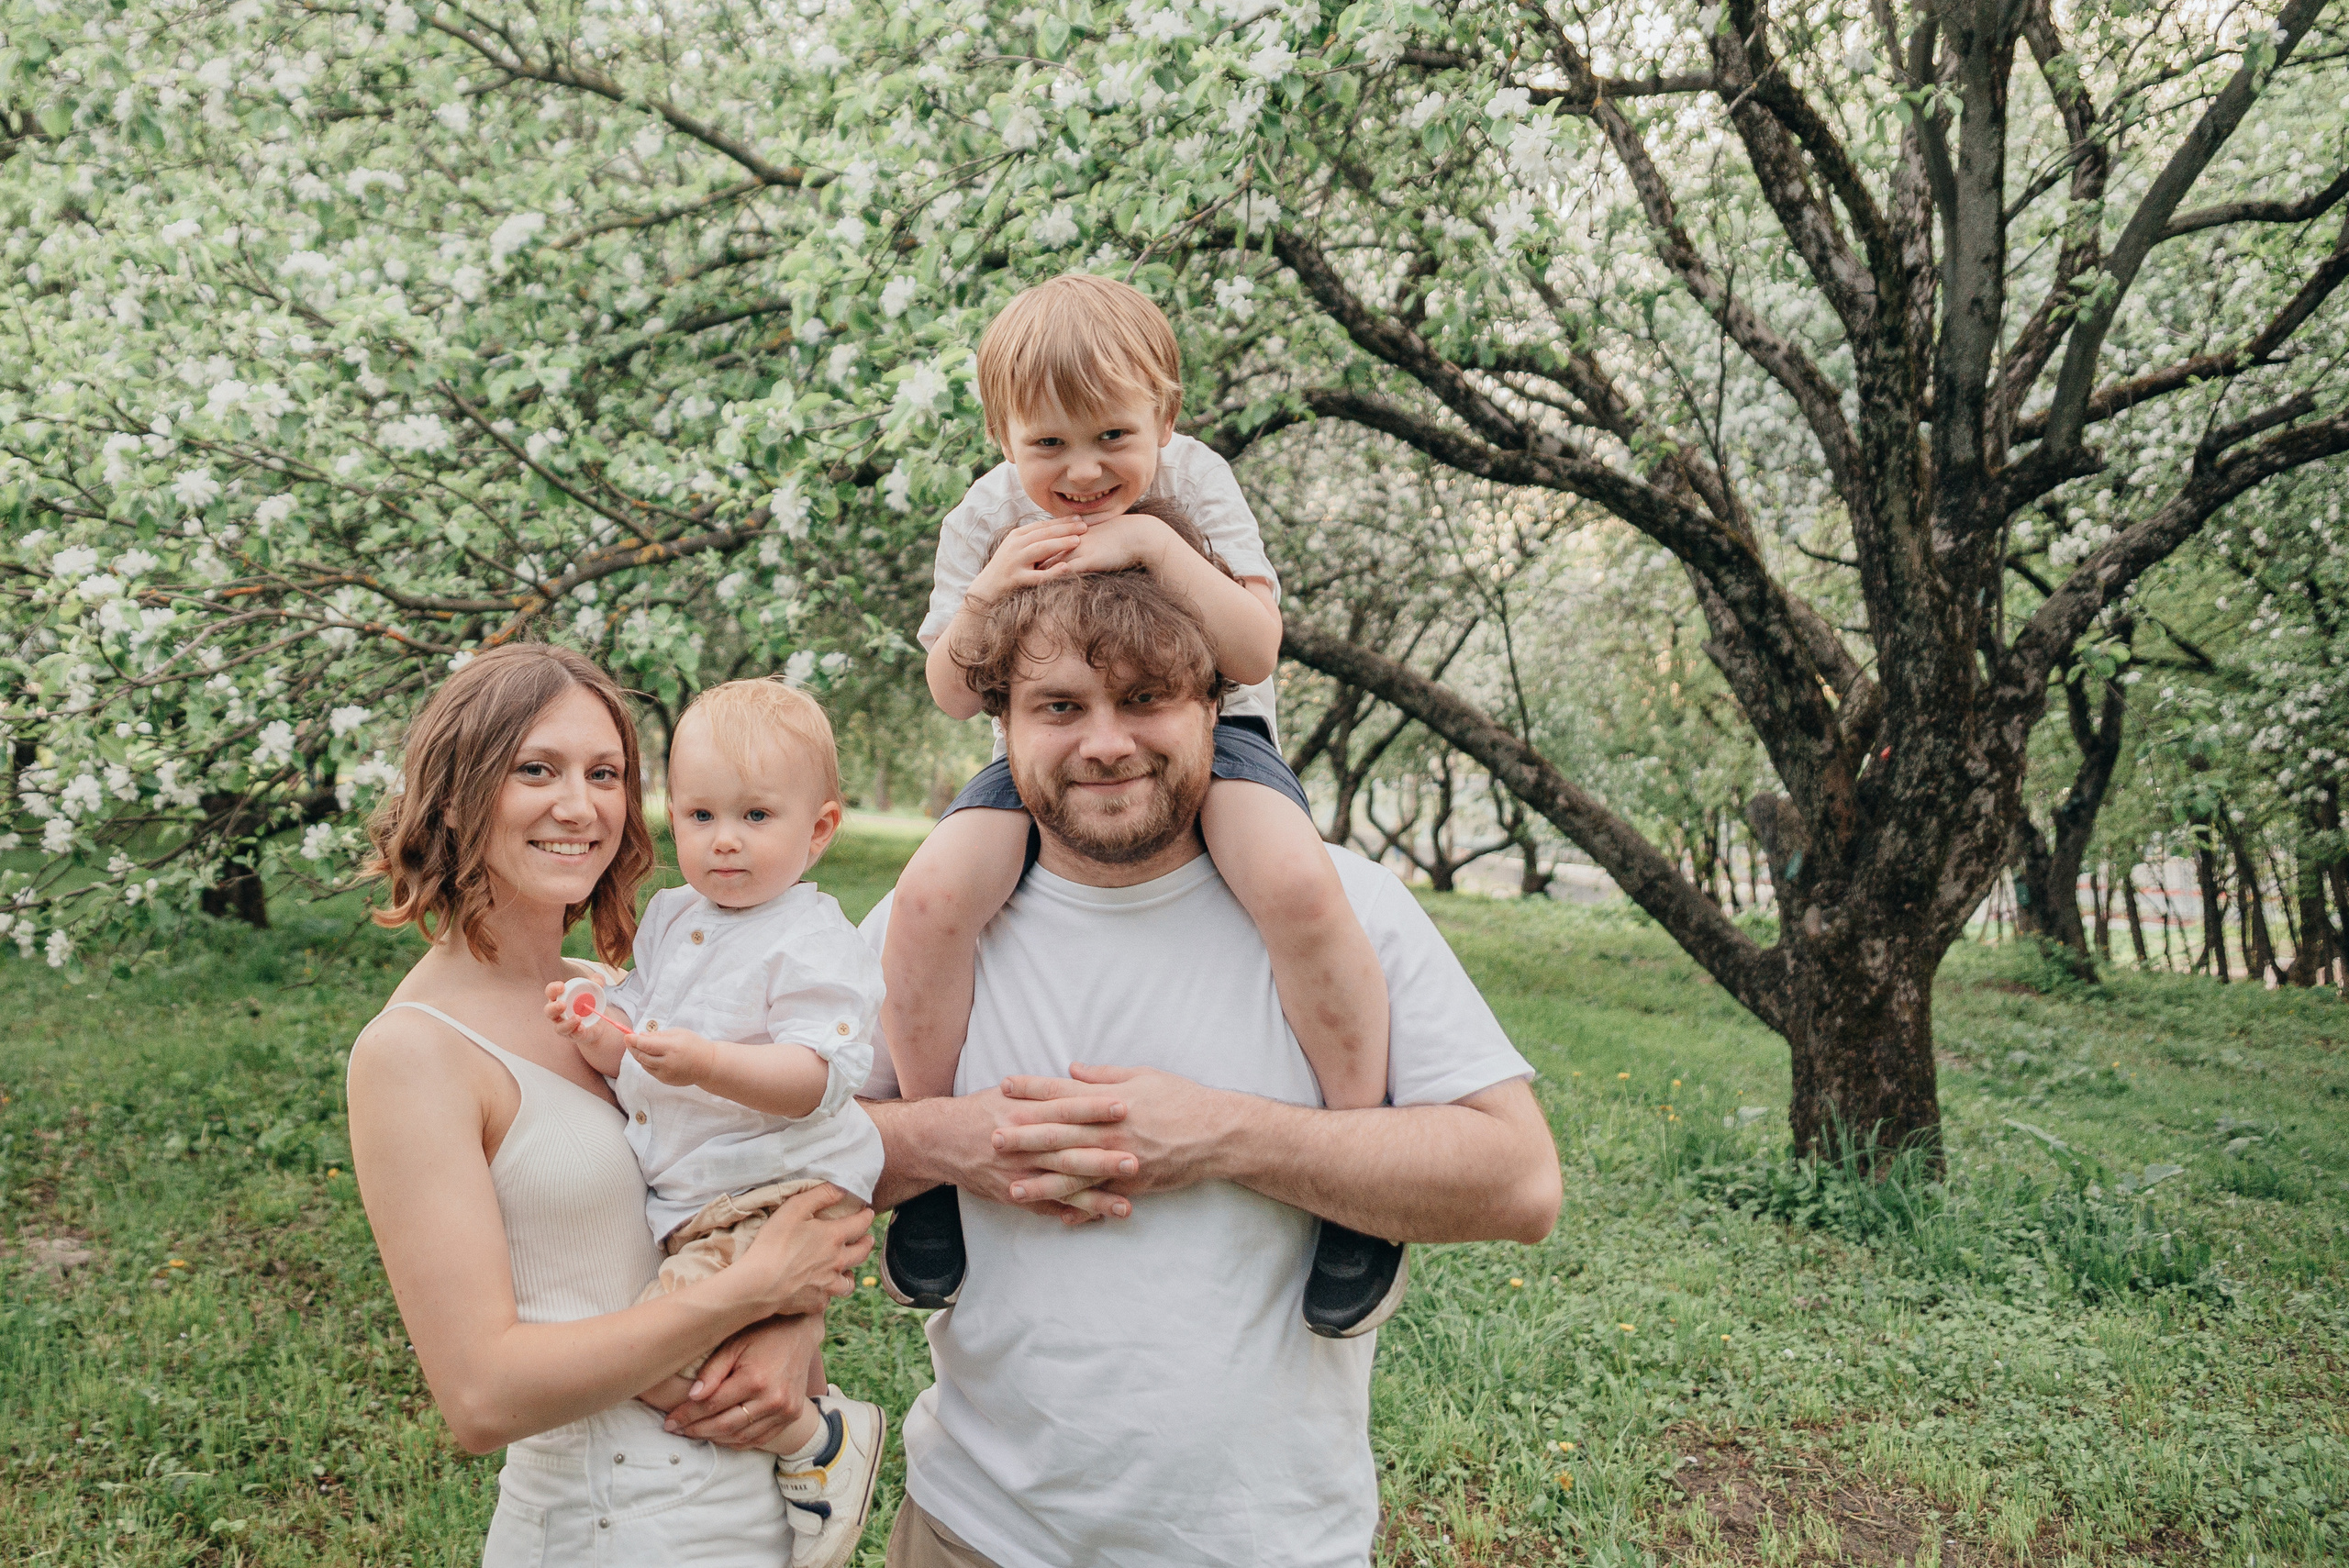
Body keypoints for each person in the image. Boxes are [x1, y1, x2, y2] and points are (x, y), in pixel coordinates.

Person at [857, 566, 1564, 1567]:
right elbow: (775, 1155)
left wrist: (1227, 1133)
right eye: (1060, 706)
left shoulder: (1343, 909)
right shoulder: (928, 927)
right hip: (974, 1528)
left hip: (1263, 1540)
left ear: (1214, 707)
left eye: (1146, 698)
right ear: (1002, 722)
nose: (1106, 742)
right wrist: (945, 1140)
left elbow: (1519, 1182)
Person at [879, 271, 1405, 1336]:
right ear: (1001, 434)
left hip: (1217, 733)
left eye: (1113, 435)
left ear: (1164, 415)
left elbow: (1256, 648)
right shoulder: (986, 512)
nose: (1081, 473)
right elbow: (946, 689)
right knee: (931, 896)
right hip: (1040, 751)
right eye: (1046, 445)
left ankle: (1361, 1171)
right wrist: (990, 591)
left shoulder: (1195, 485)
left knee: (1295, 880)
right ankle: (928, 1151)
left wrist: (1159, 548)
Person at [346, 644, 874, 1568]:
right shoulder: (413, 1053)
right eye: (535, 769)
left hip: (760, 1504)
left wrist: (792, 1320)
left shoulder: (612, 993)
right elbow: (481, 1398)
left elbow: (748, 1165)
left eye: (606, 774)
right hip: (611, 1525)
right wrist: (751, 1290)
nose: (579, 804)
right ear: (457, 791)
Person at [542, 677, 888, 1566]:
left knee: (652, 1357)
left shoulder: (809, 936)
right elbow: (642, 1041)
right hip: (702, 1191)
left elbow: (819, 1074)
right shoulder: (670, 917)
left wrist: (708, 1061)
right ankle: (803, 1435)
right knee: (719, 1339)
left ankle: (818, 1440)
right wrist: (602, 1028)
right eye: (699, 815)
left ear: (818, 829)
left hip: (774, 1187)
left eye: (755, 816)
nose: (723, 839)